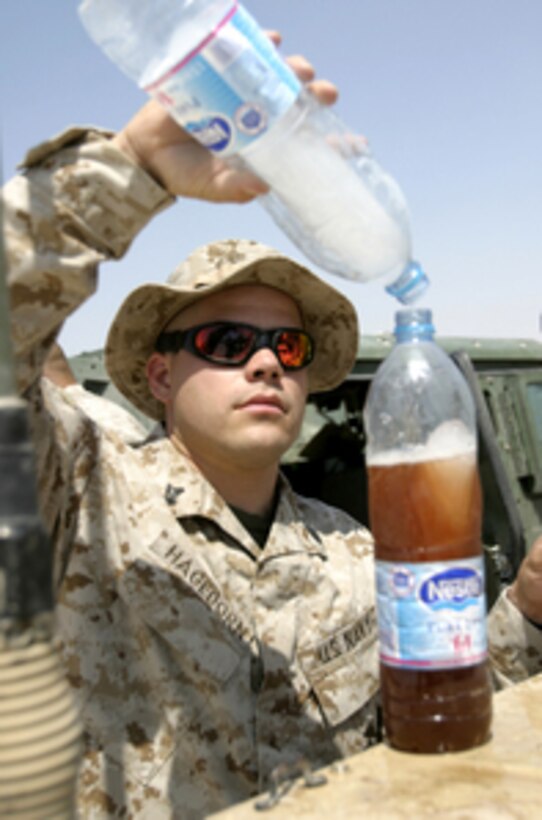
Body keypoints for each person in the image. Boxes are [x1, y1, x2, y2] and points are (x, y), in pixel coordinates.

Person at [3, 44, 542, 819]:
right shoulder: (78, 494)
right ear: (159, 377)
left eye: (287, 348)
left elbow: (423, 730)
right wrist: (130, 172)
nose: (265, 365)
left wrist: (525, 609)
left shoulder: (354, 557)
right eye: (226, 343)